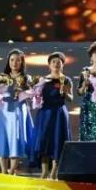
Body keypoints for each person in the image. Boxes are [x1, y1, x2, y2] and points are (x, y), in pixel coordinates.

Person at [0, 48, 34, 174]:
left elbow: (32, 95)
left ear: (22, 62)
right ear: (8, 61)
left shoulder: (27, 78)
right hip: (2, 110)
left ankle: (12, 171)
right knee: (2, 139)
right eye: (12, 60)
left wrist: (24, 93)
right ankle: (4, 171)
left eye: (18, 60)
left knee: (16, 140)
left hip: (18, 110)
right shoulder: (1, 77)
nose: (14, 63)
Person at [30, 52, 73, 180]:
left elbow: (71, 99)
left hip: (59, 113)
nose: (56, 64)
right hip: (45, 113)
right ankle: (44, 172)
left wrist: (65, 93)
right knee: (44, 142)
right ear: (49, 65)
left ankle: (54, 172)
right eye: (53, 62)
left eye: (59, 62)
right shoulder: (43, 80)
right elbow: (36, 96)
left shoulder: (66, 80)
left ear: (62, 65)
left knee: (57, 141)